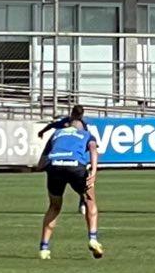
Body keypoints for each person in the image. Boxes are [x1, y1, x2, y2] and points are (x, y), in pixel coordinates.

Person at [37, 104, 104, 260]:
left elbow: (41, 163)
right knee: (90, 200)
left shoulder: (57, 134)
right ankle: (93, 239)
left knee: (54, 207)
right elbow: (94, 150)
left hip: (55, 168)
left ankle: (44, 248)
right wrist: (93, 172)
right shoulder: (85, 134)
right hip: (76, 167)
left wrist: (48, 168)